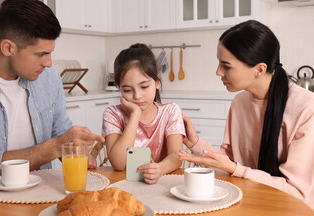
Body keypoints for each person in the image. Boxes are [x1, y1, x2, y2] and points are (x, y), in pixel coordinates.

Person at [0, 0, 104, 183]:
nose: (49, 63)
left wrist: (74, 148)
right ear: (8, 48)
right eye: (41, 54)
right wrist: (54, 147)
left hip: (43, 195)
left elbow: (60, 131)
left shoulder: (48, 77)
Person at [176, 20, 314, 209]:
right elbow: (229, 166)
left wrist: (235, 169)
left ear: (259, 69)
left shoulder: (307, 108)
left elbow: (296, 192)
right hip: (249, 202)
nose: (218, 72)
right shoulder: (240, 102)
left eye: (226, 66)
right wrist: (195, 143)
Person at [102, 44, 186, 184]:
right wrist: (135, 114)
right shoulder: (112, 114)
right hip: (124, 185)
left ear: (157, 82)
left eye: (144, 87)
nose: (137, 96)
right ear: (119, 89)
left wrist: (158, 169)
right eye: (127, 90)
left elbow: (176, 157)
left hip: (161, 184)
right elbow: (118, 163)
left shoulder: (170, 111)